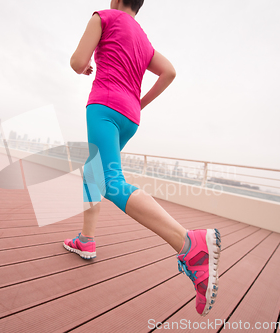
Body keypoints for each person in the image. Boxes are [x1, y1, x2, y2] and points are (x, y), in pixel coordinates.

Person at [63, 0, 221, 317]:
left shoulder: (104, 17)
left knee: (109, 180)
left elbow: (77, 60)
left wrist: (83, 67)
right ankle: (86, 239)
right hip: (130, 117)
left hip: (104, 108)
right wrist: (139, 101)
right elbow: (170, 71)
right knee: (94, 172)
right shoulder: (143, 40)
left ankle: (190, 244)